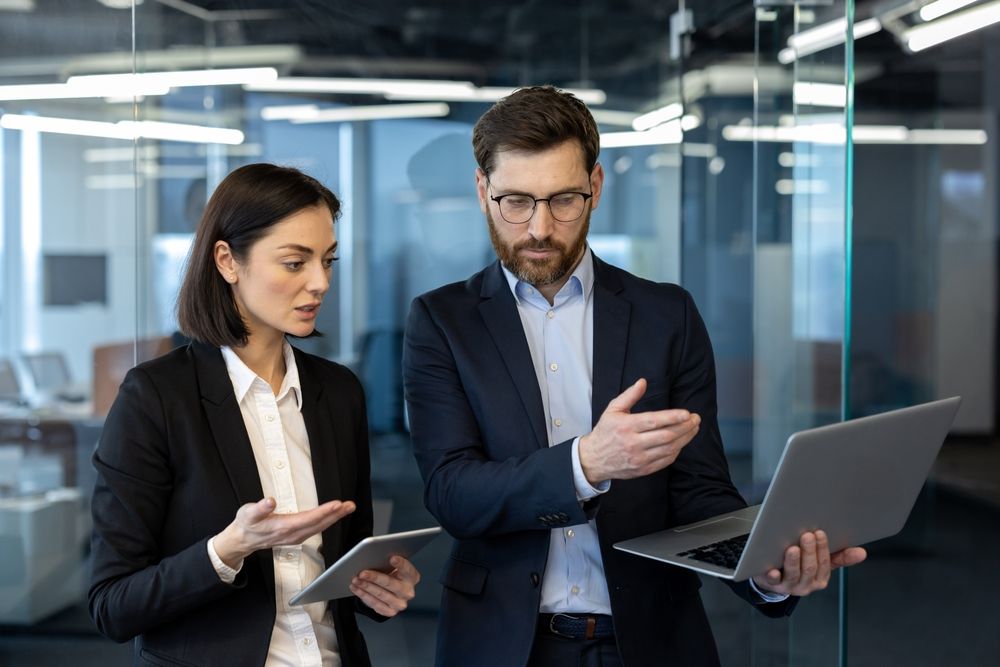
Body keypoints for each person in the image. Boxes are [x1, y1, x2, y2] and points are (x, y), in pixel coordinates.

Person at [401, 86, 866, 667]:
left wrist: (764, 570)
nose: (540, 227)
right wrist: (586, 465)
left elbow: (700, 491)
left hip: (652, 637)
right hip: (502, 643)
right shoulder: (443, 322)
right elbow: (453, 494)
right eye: (514, 201)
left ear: (596, 187)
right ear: (482, 191)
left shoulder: (666, 314)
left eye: (563, 200)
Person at [89, 163, 421, 667]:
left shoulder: (337, 392)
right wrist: (229, 548)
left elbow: (347, 567)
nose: (320, 283)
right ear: (227, 260)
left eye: (328, 261)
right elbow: (111, 605)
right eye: (295, 262)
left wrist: (382, 588)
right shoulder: (156, 397)